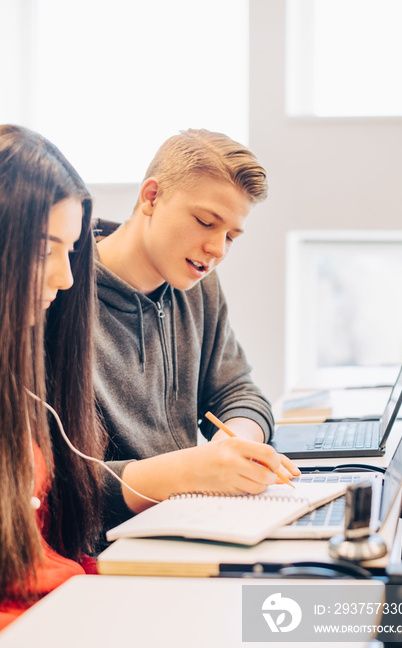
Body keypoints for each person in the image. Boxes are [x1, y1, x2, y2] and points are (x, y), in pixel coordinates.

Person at [95, 128, 299, 524]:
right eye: (206, 222)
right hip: (108, 544)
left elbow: (238, 390)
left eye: (231, 236)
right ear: (151, 197)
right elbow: (53, 488)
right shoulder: (57, 294)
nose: (218, 250)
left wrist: (235, 446)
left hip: (184, 519)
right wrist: (191, 471)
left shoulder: (198, 287)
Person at [0, 124, 106, 648]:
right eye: (46, 251)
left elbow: (40, 561)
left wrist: (122, 593)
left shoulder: (8, 374)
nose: (67, 278)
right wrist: (77, 635)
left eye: (71, 251)